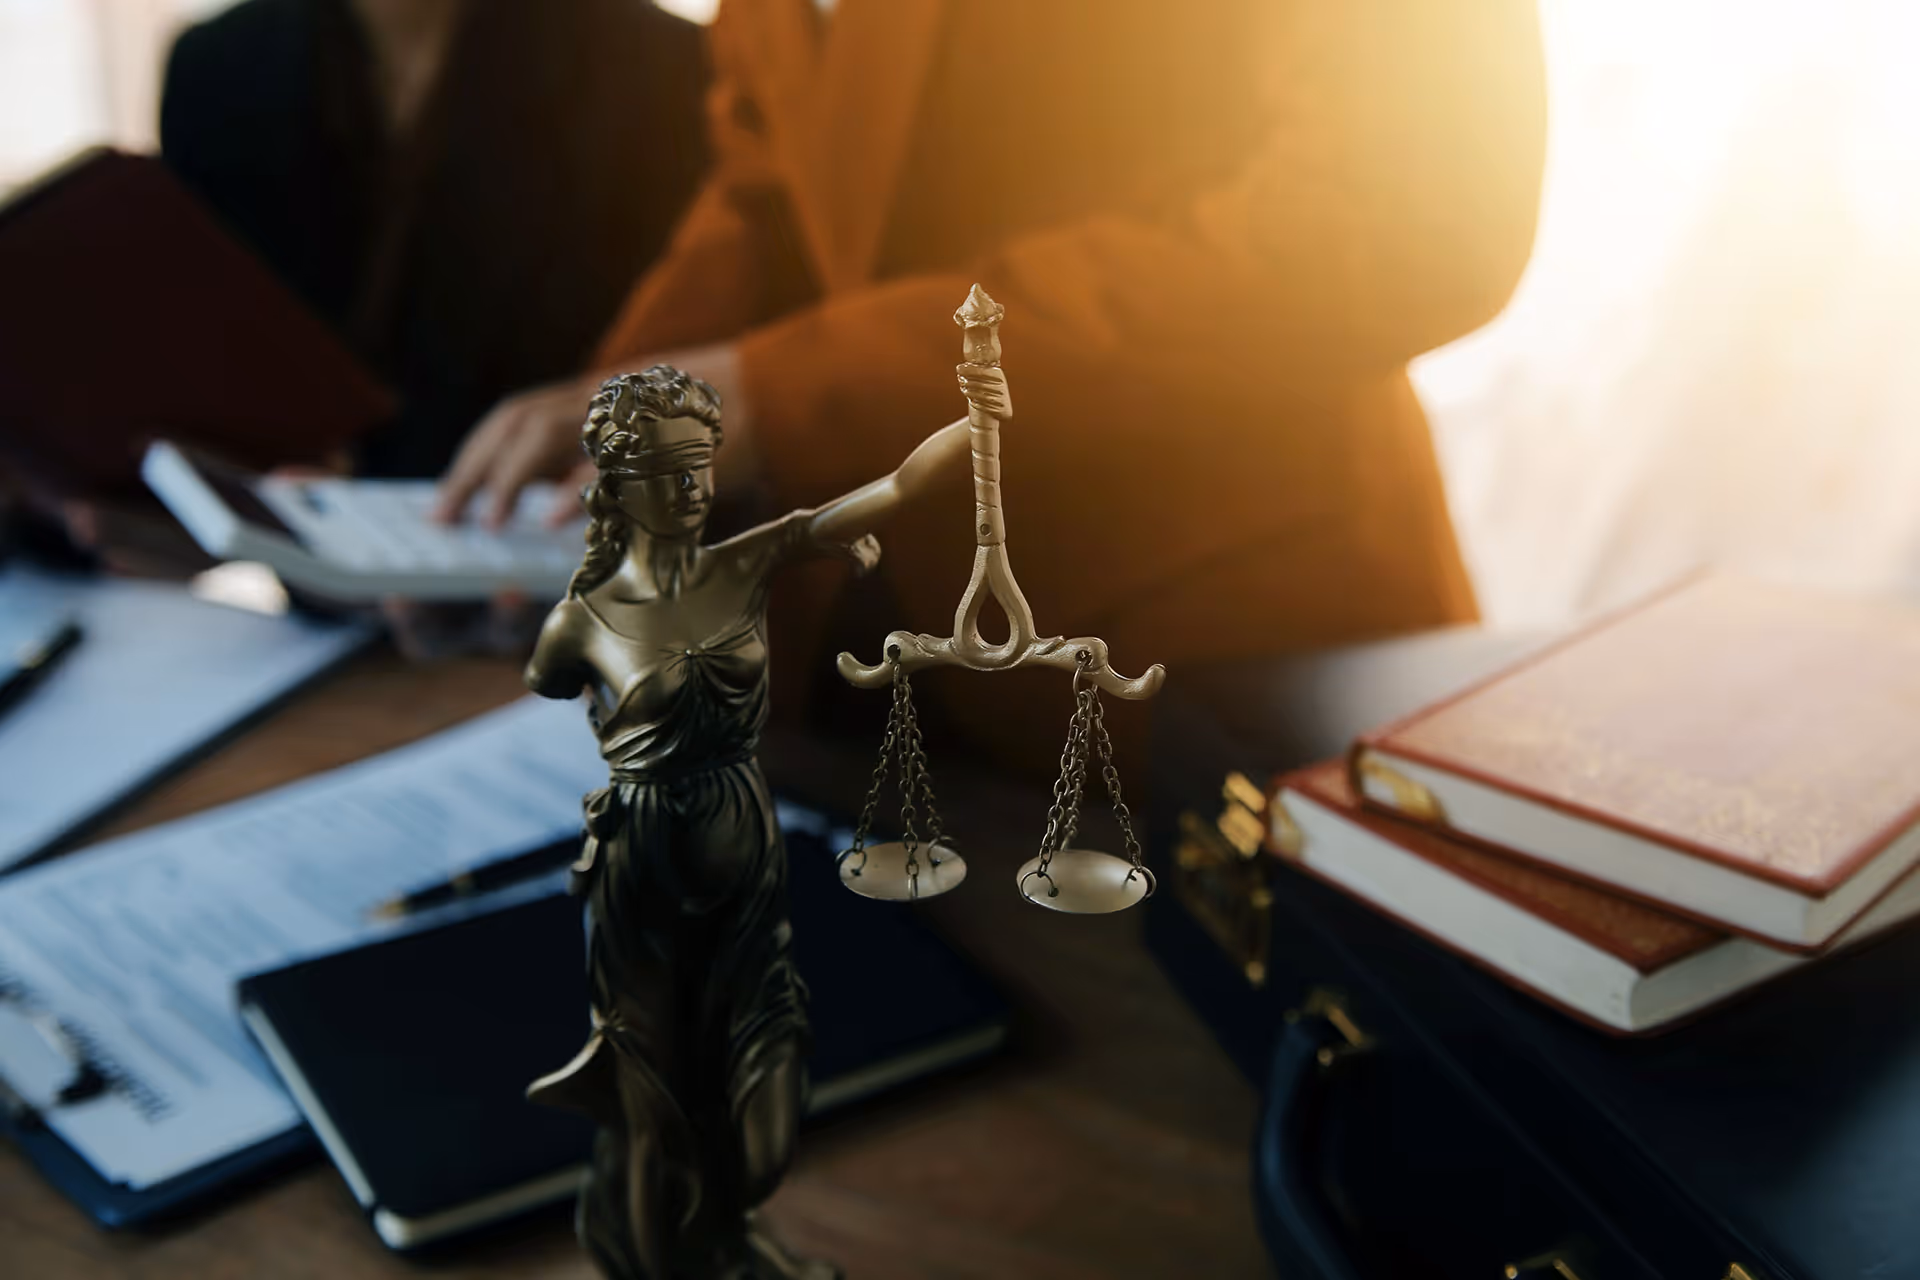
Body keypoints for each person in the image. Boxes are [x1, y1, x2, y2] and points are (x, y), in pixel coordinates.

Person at [438, 0, 1548, 765]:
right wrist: (593, 455)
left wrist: (786, 395)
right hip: (899, 680)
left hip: (1235, 662)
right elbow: (770, 185)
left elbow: (1404, 225)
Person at [520, 361, 996, 1278]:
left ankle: (727, 1231)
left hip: (744, 840)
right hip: (642, 863)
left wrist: (974, 428)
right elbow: (544, 682)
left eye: (701, 467)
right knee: (654, 1091)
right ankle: (667, 1253)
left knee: (765, 1108)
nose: (692, 493)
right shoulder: (579, 621)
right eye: (666, 475)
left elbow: (888, 491)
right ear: (617, 485)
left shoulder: (742, 563)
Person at [159, 0, 709, 479]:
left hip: (562, 566)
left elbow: (684, 390)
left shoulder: (662, 71)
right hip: (304, 572)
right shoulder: (215, 69)